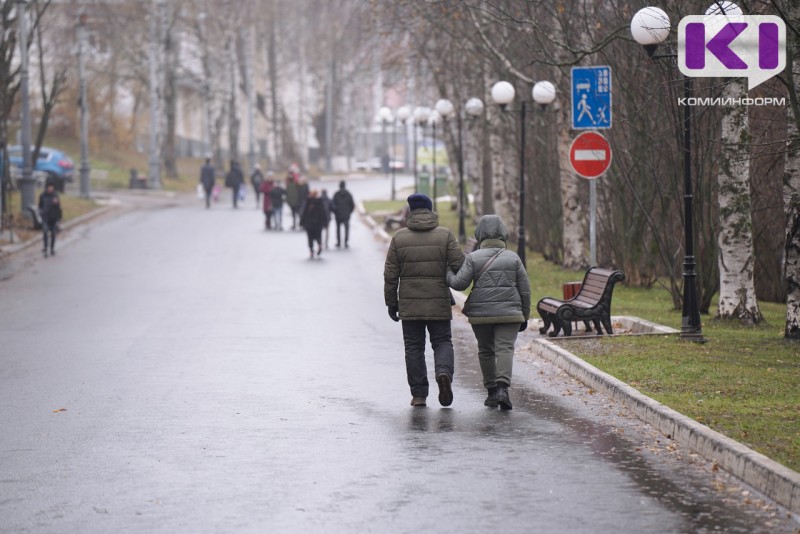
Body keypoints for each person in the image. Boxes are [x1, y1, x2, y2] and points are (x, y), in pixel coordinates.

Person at [384, 193, 464, 407]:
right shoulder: (445, 235)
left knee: (413, 347)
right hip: (438, 302)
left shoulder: (399, 238)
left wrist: (391, 303)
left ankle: (419, 395)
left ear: (410, 211)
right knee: (442, 342)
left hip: (410, 306)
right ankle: (443, 373)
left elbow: (390, 275)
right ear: (430, 210)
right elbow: (460, 266)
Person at [446, 215, 531, 410]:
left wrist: (447, 273)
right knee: (504, 349)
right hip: (510, 313)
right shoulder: (514, 258)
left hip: (482, 314)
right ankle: (503, 389)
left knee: (486, 350)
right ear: (503, 233)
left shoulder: (474, 258)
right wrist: (524, 315)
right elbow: (525, 290)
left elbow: (460, 283)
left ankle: (492, 391)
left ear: (480, 234)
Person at [300, 190, 328, 258]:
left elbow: (304, 213)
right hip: (318, 224)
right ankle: (319, 244)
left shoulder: (308, 202)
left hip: (309, 224)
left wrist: (301, 222)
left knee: (310, 238)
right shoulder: (320, 202)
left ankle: (311, 250)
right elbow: (323, 213)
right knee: (318, 236)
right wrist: (325, 222)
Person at [38, 182, 62, 258]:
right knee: (45, 232)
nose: (50, 188)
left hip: (53, 218)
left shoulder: (55, 195)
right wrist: (41, 212)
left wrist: (59, 219)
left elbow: (59, 208)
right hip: (45, 217)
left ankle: (52, 248)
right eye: (49, 187)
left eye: (51, 187)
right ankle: (45, 247)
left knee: (53, 233)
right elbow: (40, 205)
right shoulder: (42, 195)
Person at [332, 180, 355, 248]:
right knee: (346, 229)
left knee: (338, 229)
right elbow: (352, 205)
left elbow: (333, 204)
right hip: (346, 215)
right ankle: (346, 242)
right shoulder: (348, 194)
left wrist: (335, 212)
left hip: (338, 214)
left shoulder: (336, 194)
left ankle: (339, 242)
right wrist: (349, 212)